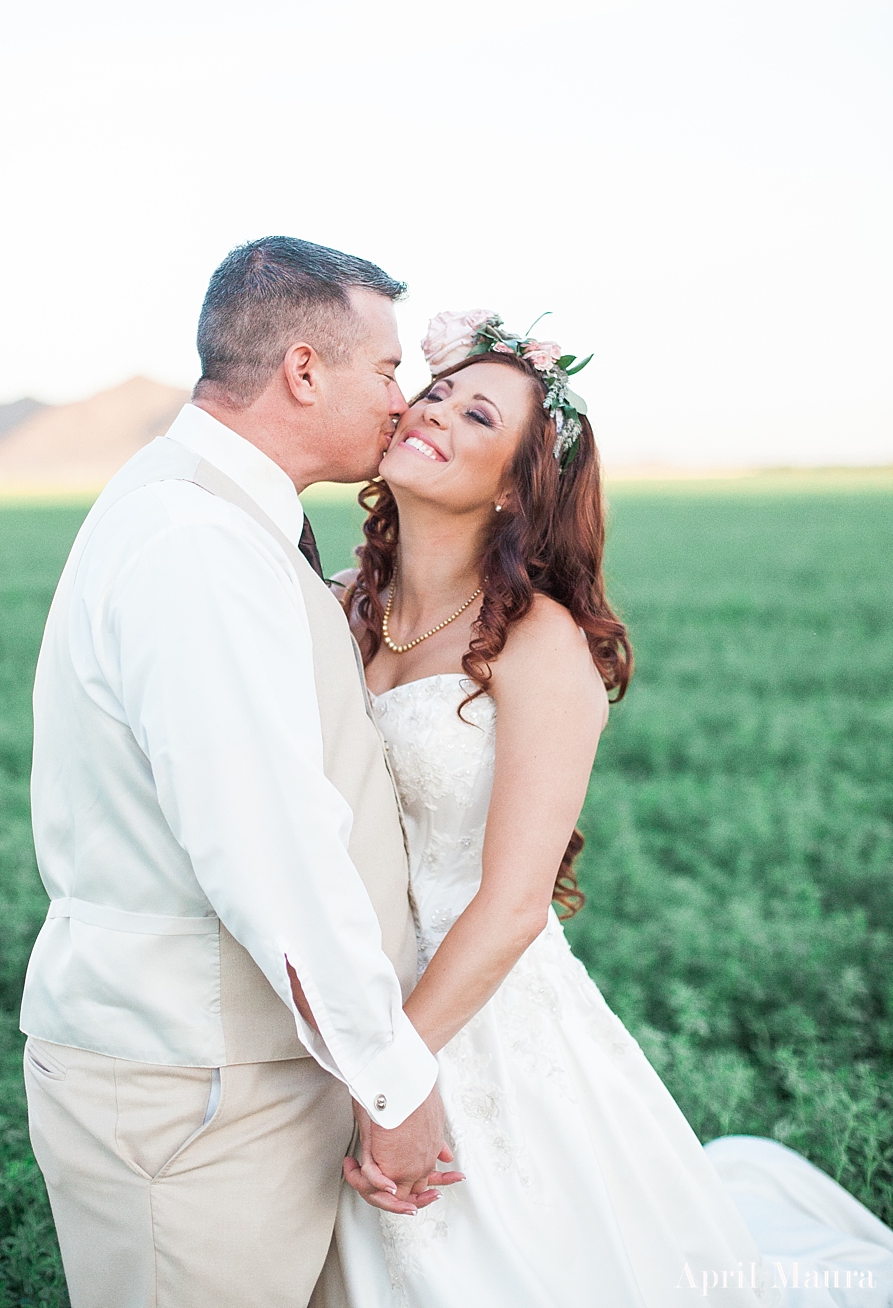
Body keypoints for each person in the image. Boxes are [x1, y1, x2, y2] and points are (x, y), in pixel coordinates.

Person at [19, 237, 463, 1308]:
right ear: (303, 370)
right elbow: (266, 844)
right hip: (193, 1094)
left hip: (245, 1069)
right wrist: (393, 1081)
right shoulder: (195, 545)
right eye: (386, 369)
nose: (402, 399)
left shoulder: (222, 521)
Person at [312, 309, 782, 1306]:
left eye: (475, 415)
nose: (432, 412)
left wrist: (391, 1073)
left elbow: (514, 903)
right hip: (337, 992)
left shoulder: (539, 645)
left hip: (471, 1013)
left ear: (517, 485)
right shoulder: (335, 602)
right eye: (434, 391)